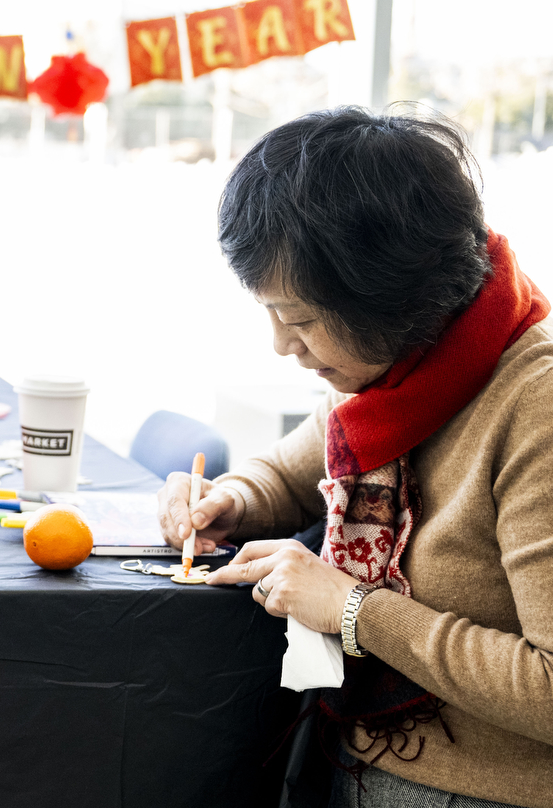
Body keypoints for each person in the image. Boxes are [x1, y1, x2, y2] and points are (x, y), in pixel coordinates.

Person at [155, 107, 553, 807]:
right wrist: (229, 502)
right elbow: (283, 473)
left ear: (392, 300)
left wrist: (352, 610)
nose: (283, 345)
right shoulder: (391, 378)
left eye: (301, 319)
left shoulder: (534, 407)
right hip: (352, 759)